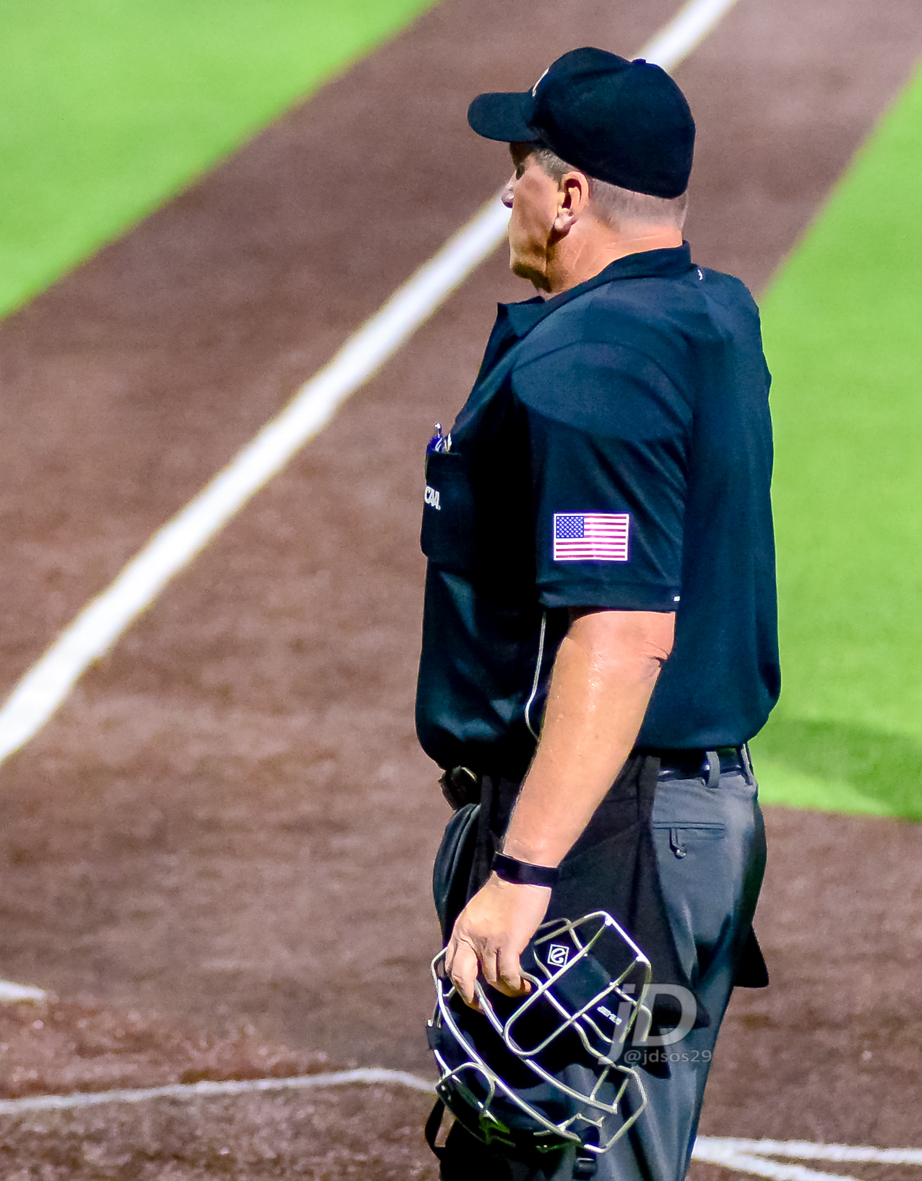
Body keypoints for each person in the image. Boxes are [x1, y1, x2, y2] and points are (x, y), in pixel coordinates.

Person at [416, 49, 777, 1181]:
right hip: (666, 819)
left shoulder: (594, 364)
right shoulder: (708, 312)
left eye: (521, 168)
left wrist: (524, 872)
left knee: (564, 1162)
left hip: (608, 835)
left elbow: (619, 634)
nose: (506, 194)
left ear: (570, 195)